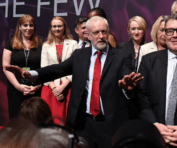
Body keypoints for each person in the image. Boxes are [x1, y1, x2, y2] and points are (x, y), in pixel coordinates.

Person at [4, 16, 143, 148]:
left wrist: (127, 87)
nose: (101, 36)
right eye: (96, 32)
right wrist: (30, 74)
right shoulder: (79, 55)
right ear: (88, 34)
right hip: (83, 124)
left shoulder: (122, 55)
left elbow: (126, 73)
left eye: (104, 32)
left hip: (111, 124)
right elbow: (57, 69)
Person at [137, 14, 177, 148]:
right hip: (156, 139)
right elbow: (141, 97)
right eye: (170, 31)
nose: (174, 35)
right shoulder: (149, 61)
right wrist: (155, 125)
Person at [2, 14, 43, 120]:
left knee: (34, 122)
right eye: (25, 25)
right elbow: (6, 68)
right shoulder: (10, 43)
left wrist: (37, 86)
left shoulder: (41, 44)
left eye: (31, 25)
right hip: (15, 89)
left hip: (35, 89)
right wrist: (18, 86)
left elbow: (44, 69)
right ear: (19, 27)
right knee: (16, 122)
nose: (28, 28)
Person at [41, 16, 79, 125]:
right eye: (54, 26)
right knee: (49, 122)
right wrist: (55, 89)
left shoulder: (73, 44)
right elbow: (44, 69)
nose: (56, 29)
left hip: (68, 88)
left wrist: (62, 87)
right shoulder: (46, 46)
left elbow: (77, 67)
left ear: (64, 27)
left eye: (59, 26)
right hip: (50, 89)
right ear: (51, 28)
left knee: (66, 122)